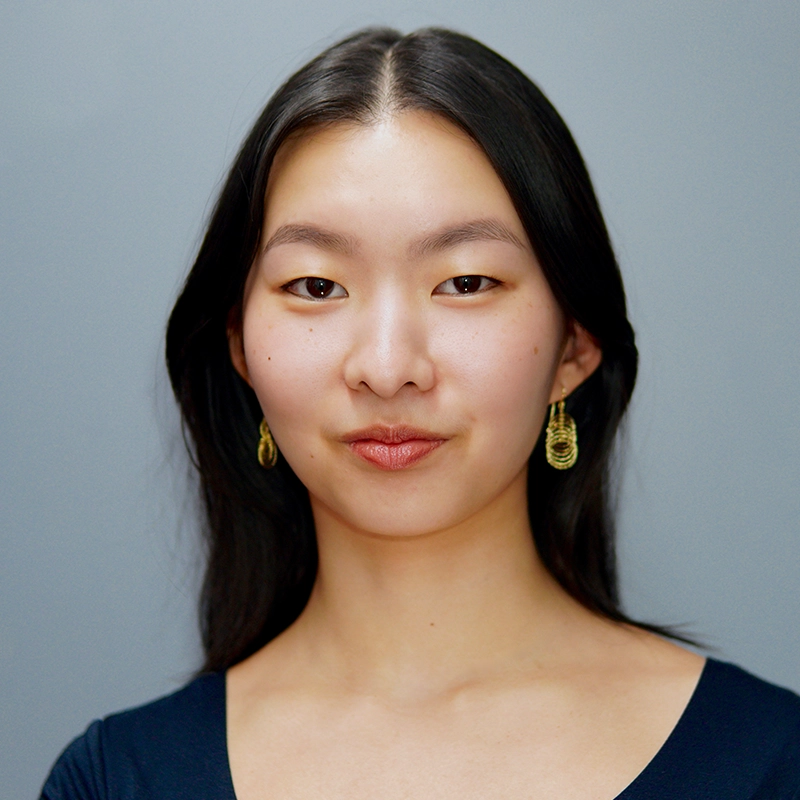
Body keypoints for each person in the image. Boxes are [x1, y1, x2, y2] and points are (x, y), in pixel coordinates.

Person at [41, 26, 800, 800]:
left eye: (465, 283)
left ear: (574, 347)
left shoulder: (771, 762)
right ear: (239, 346)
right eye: (316, 286)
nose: (387, 367)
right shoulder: (116, 779)